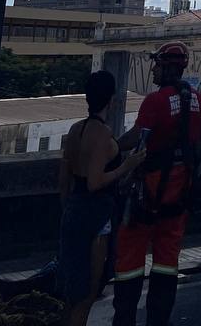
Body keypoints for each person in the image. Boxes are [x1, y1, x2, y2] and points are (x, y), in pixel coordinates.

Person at [111, 42, 201, 326]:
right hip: (179, 195)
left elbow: (138, 139)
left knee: (129, 262)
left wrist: (110, 147)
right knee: (167, 262)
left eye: (157, 64)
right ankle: (159, 320)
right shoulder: (198, 100)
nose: (153, 69)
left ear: (166, 66)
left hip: (147, 192)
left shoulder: (156, 101)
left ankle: (125, 318)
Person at [57, 71, 146, 326]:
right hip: (96, 215)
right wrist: (127, 165)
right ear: (112, 100)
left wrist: (68, 209)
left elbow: (64, 178)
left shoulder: (76, 129)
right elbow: (96, 182)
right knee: (88, 292)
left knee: (72, 290)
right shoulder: (101, 133)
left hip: (74, 208)